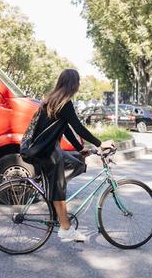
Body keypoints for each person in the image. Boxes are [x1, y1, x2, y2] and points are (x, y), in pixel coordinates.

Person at [33, 69, 114, 243]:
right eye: (77, 82)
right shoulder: (64, 103)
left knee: (78, 162)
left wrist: (79, 148)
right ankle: (65, 229)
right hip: (48, 153)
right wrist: (101, 144)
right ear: (73, 84)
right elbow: (79, 128)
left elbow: (67, 129)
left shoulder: (52, 100)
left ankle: (55, 195)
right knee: (59, 189)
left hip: (45, 150)